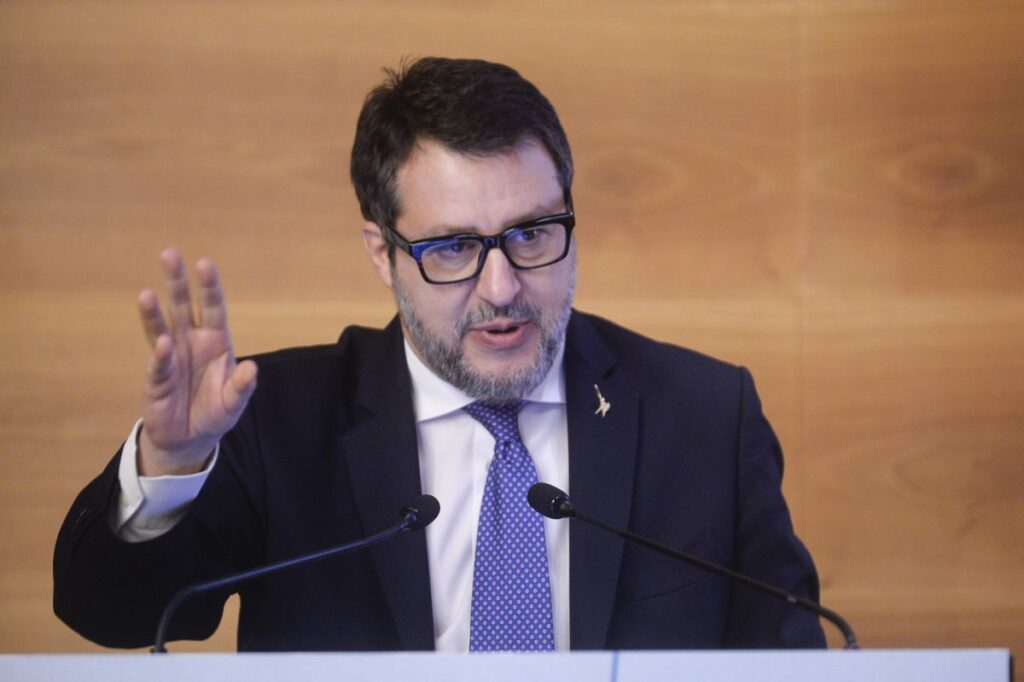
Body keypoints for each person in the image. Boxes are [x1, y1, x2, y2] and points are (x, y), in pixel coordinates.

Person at [53, 57, 827, 652]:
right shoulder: (278, 419)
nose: (502, 287)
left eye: (532, 234)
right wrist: (171, 462)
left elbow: (793, 658)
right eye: (453, 248)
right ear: (382, 253)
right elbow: (112, 614)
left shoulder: (703, 415)